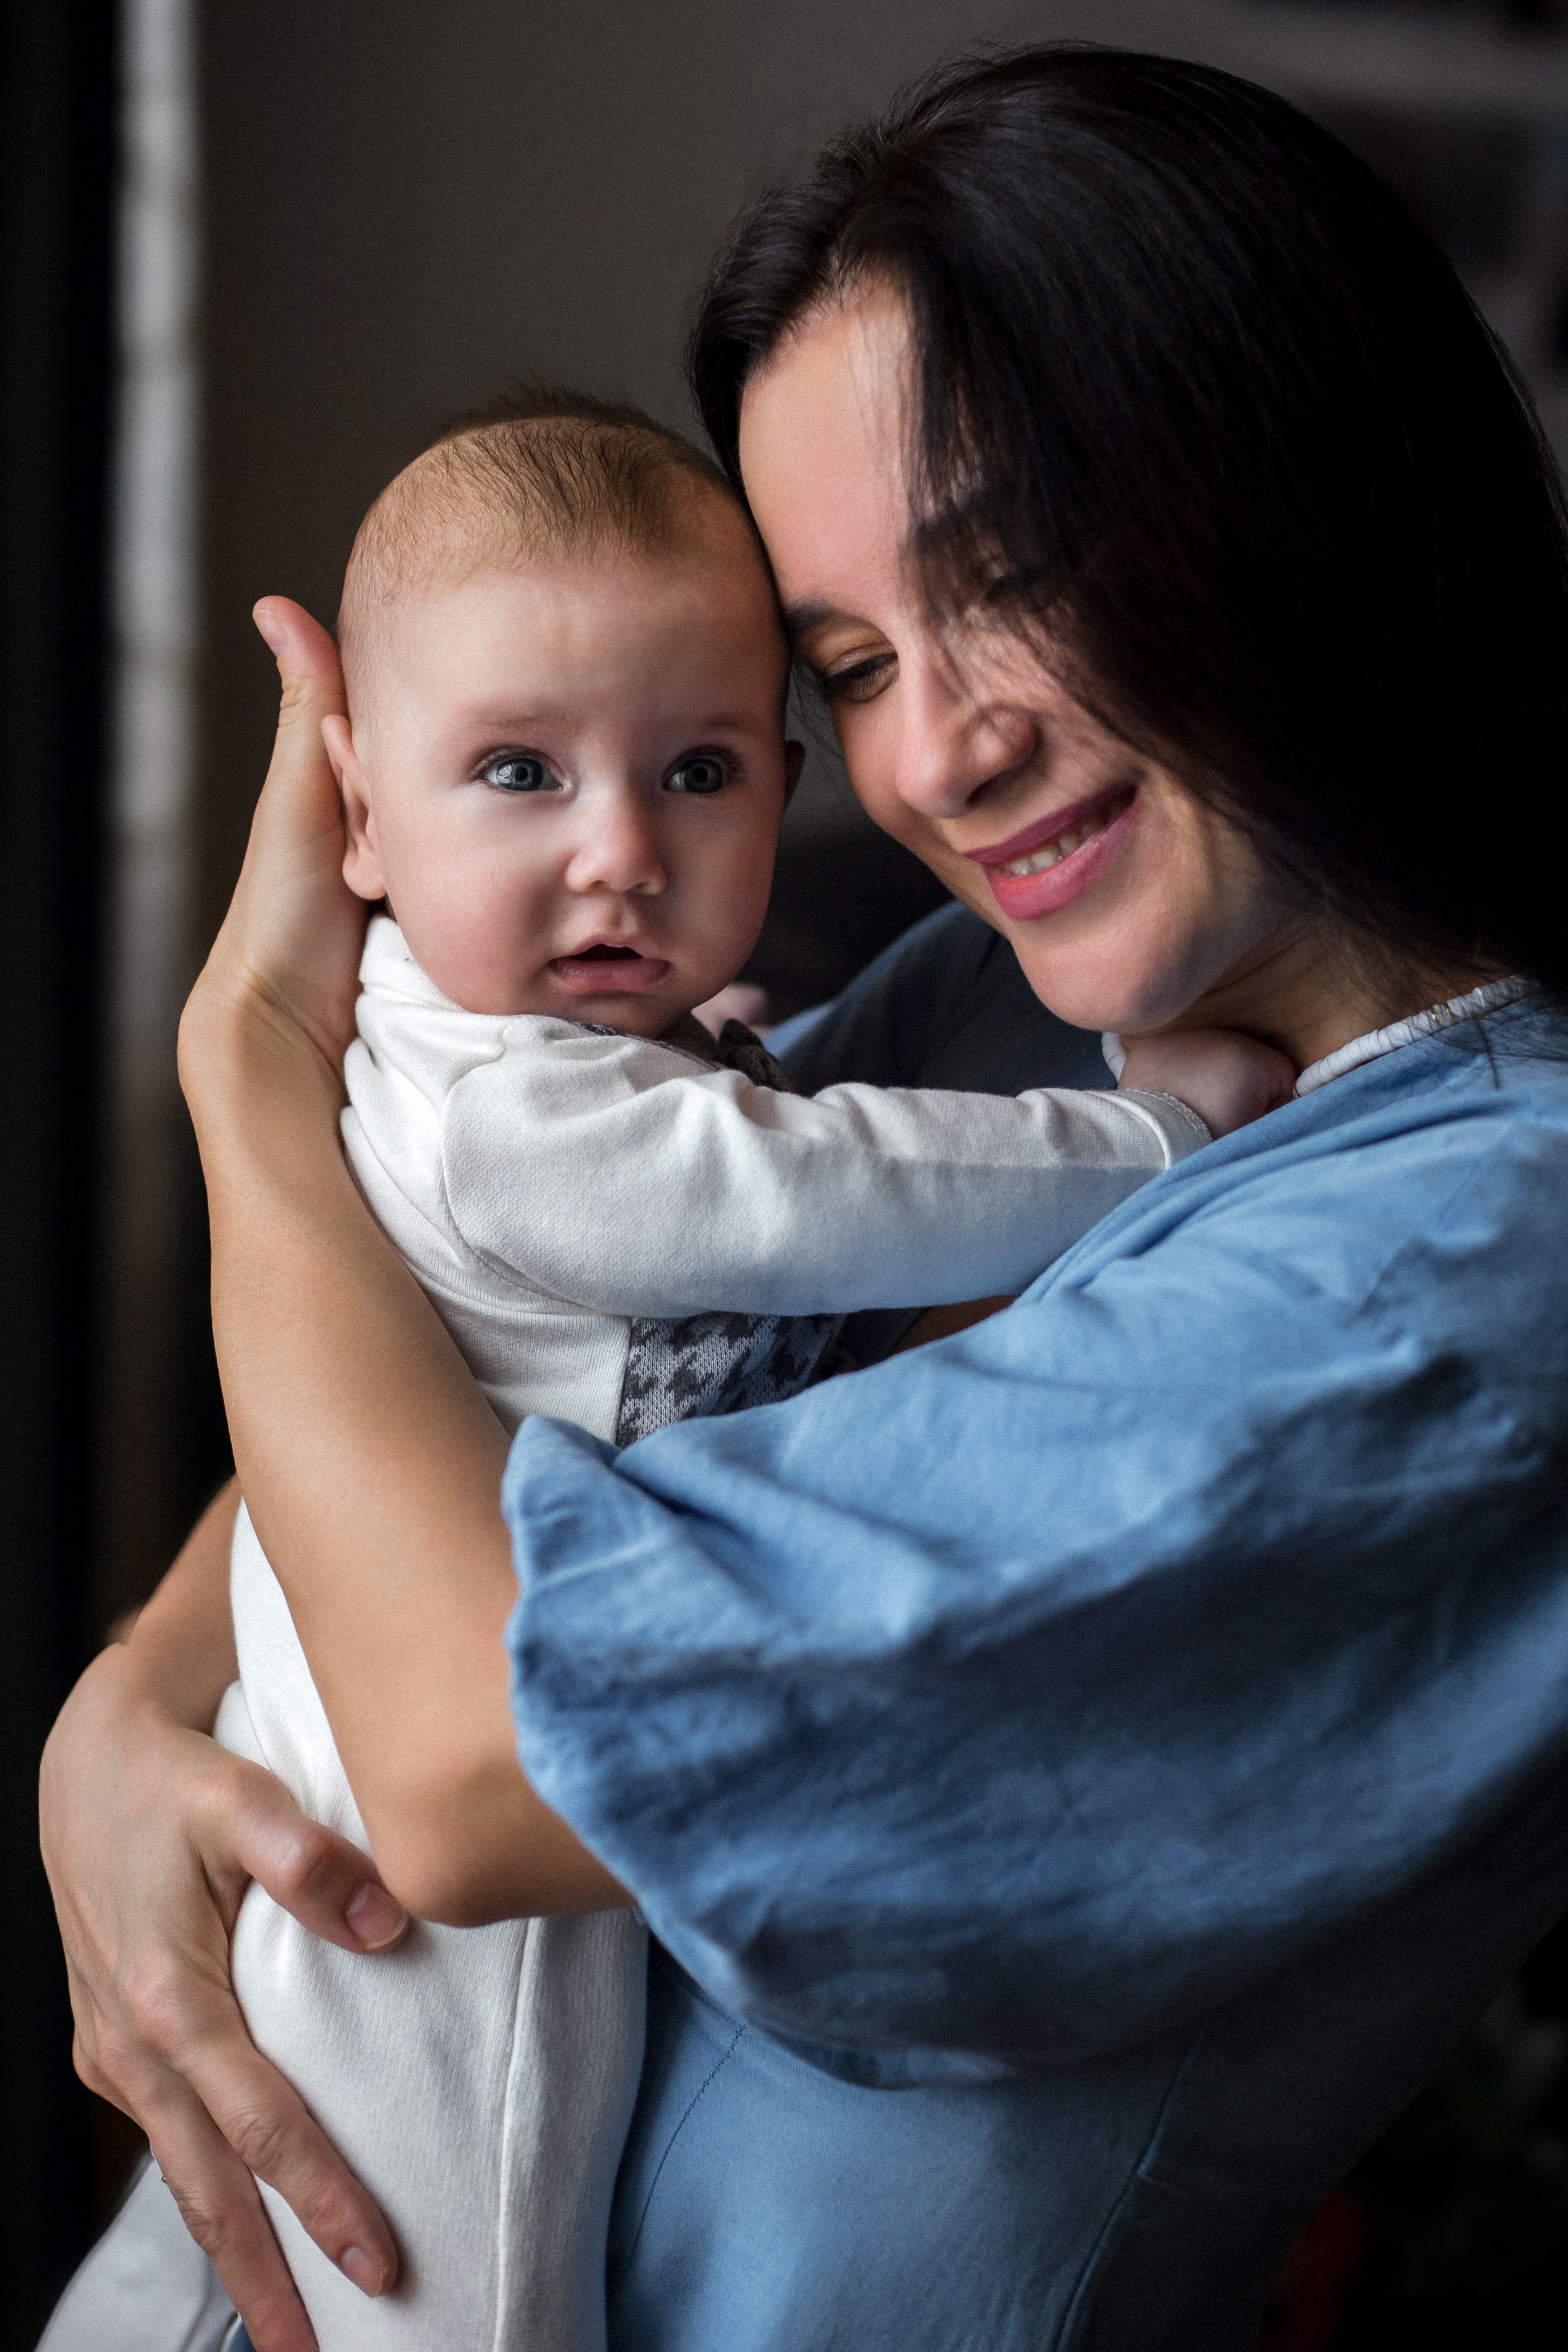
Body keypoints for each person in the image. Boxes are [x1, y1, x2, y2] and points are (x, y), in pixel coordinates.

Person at [40, 43, 1568, 2352]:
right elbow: (496, 1338)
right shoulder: (1041, 982)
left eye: (1021, 581)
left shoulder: (1470, 1273)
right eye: (850, 665)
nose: (938, 755)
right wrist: (134, 1705)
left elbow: (466, 1759)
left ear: (1304, 487)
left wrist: (253, 1072)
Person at [209, 385, 1278, 2352]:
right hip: (411, 1897)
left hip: (468, 1693)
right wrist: (1159, 1145)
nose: (620, 853)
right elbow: (818, 1196)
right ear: (356, 809)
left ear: (785, 792)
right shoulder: (502, 1119)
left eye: (697, 773)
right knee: (447, 2269)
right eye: (519, 773)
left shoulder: (613, 1052)